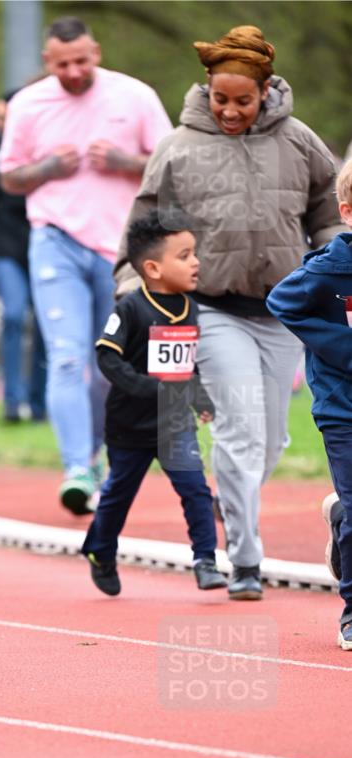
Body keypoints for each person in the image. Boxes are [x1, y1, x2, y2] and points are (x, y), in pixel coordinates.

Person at [115, 24, 343, 599]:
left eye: (243, 100)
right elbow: (146, 223)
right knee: (240, 431)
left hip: (284, 311)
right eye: (221, 99)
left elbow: (326, 212)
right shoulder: (179, 147)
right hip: (213, 309)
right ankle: (244, 560)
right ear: (207, 90)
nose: (231, 111)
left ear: (266, 91)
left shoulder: (299, 141)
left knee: (271, 443)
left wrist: (334, 263)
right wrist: (130, 285)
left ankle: (235, 504)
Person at [0, 16, 172, 514]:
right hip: (54, 240)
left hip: (121, 249)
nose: (74, 72)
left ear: (96, 52)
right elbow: (9, 177)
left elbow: (168, 163)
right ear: (48, 63)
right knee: (68, 356)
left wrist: (122, 161)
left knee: (107, 363)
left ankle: (95, 454)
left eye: (82, 61)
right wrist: (50, 167)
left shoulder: (134, 95)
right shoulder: (29, 104)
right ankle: (75, 466)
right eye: (63, 64)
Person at [81, 212, 226, 597]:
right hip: (130, 426)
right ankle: (100, 550)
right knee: (117, 495)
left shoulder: (190, 309)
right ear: (153, 268)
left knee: (195, 488)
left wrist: (199, 398)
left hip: (175, 424)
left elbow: (186, 364)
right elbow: (107, 357)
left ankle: (206, 560)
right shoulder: (130, 309)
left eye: (195, 253)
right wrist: (146, 388)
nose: (196, 262)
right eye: (184, 255)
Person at [267, 160, 352, 650]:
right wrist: (341, 348)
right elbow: (282, 302)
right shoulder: (328, 268)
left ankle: (339, 516)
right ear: (346, 212)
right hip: (345, 408)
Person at [0, 91, 46, 423]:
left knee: (44, 321)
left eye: (2, 117)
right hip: (4, 244)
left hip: (44, 242)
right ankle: (12, 402)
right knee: (14, 314)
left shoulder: (45, 143)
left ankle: (39, 402)